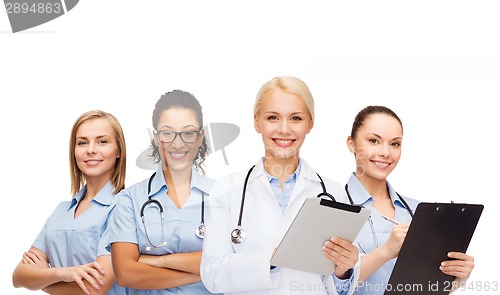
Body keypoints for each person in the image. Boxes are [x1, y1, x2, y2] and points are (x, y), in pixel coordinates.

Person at [200, 76, 360, 295]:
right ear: (257, 122)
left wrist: (344, 270)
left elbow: (341, 287)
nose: (284, 129)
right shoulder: (226, 190)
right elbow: (213, 275)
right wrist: (272, 259)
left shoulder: (333, 193)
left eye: (295, 118)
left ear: (309, 124)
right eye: (273, 117)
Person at [343, 105, 475, 294]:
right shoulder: (335, 206)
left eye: (394, 144)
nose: (385, 153)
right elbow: (328, 286)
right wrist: (386, 251)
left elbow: (426, 286)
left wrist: (455, 279)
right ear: (351, 143)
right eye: (374, 140)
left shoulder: (418, 211)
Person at [108, 90, 217, 294]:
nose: (177, 143)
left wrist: (160, 261)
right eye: (167, 133)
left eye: (188, 133)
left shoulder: (222, 196)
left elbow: (229, 261)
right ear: (156, 138)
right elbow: (125, 274)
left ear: (200, 137)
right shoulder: (130, 200)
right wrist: (203, 272)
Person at [12, 110, 128, 295]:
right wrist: (63, 273)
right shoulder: (61, 211)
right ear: (74, 151)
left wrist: (43, 280)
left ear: (119, 151)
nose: (91, 149)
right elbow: (18, 277)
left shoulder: (124, 208)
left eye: (102, 141)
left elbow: (95, 287)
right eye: (82, 142)